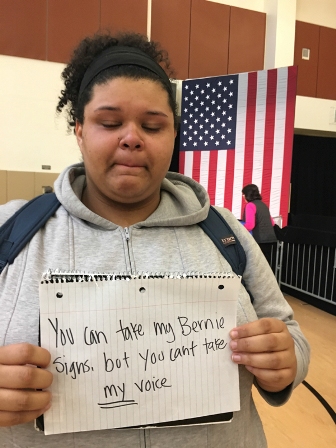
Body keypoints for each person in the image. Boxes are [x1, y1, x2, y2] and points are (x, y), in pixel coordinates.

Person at [0, 31, 310, 447]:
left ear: (173, 134)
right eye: (109, 122)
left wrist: (286, 359)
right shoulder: (13, 231)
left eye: (152, 125)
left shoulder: (225, 233)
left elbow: (290, 332)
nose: (131, 137)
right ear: (78, 129)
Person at [242, 184, 278, 270]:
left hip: (260, 240)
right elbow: (272, 223)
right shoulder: (263, 205)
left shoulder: (250, 205)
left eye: (243, 194)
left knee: (258, 268)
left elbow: (250, 225)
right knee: (267, 267)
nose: (243, 197)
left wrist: (238, 229)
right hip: (271, 239)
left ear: (247, 194)